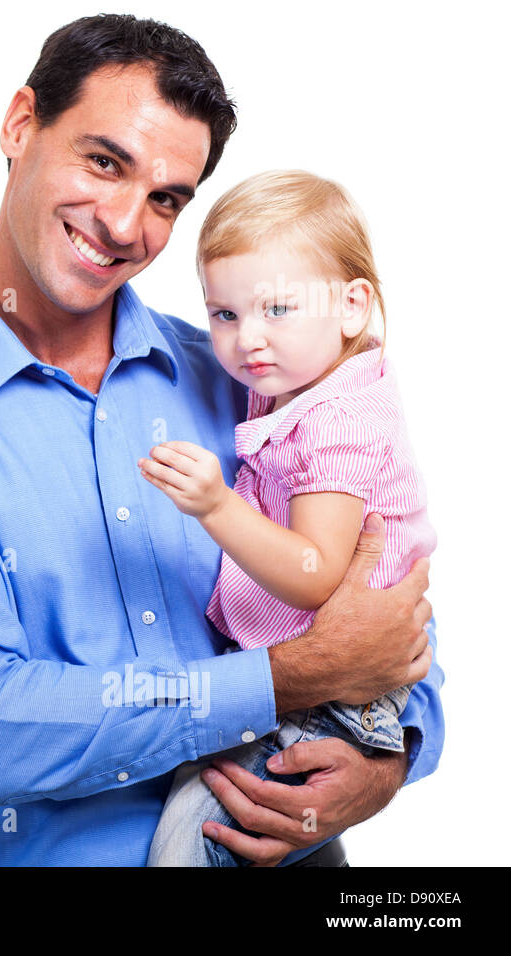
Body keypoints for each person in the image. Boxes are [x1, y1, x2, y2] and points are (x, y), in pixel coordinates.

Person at [0, 15, 443, 866]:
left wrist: (390, 756)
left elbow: (380, 598)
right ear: (20, 125)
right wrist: (291, 677)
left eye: (165, 198)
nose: (122, 223)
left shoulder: (245, 378)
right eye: (104, 162)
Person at [141, 171, 436, 865]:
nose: (249, 340)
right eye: (225, 314)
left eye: (278, 308)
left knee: (186, 842)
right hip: (294, 682)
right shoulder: (292, 385)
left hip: (326, 701)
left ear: (352, 306)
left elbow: (313, 574)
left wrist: (216, 506)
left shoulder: (337, 421)